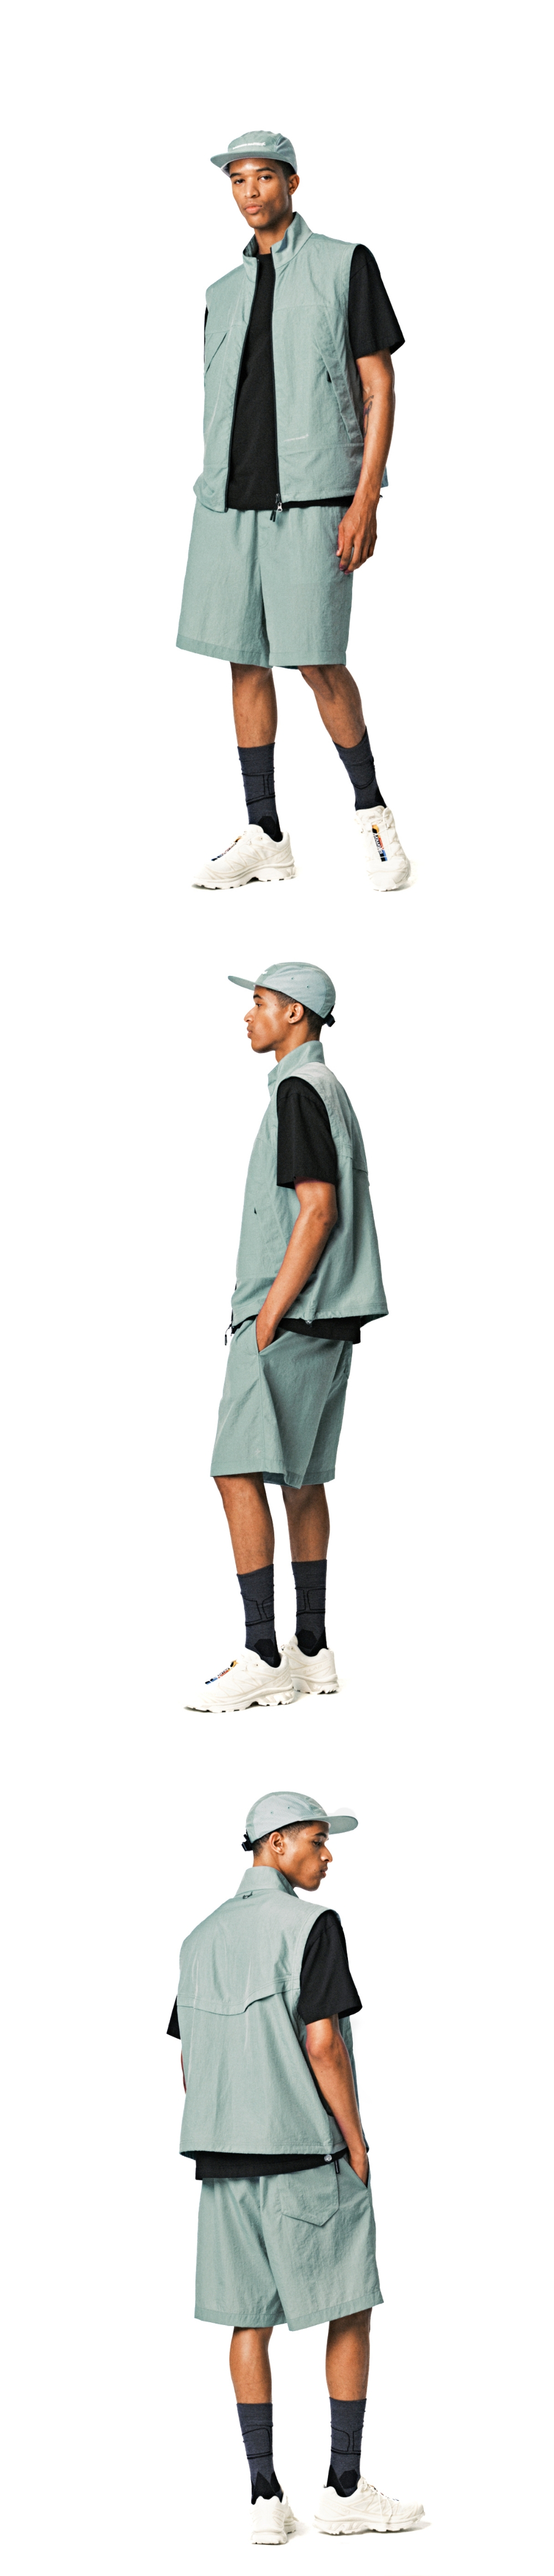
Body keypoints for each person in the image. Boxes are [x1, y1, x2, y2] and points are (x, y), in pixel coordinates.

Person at [168, 1790, 424, 2543]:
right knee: (351, 2304)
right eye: (316, 1839)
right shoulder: (312, 1924)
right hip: (306, 2152)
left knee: (249, 2319)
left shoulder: (198, 1938)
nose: (328, 1853)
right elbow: (323, 2044)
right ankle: (343, 2488)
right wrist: (356, 2139)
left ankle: (264, 2498)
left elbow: (190, 2062)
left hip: (223, 2162)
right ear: (275, 1843)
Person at [177, 129, 410, 894]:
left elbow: (379, 387)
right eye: (238, 180)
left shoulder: (345, 264)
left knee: (317, 660)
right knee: (244, 659)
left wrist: (366, 496)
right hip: (228, 502)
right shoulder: (220, 293)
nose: (250, 192)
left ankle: (373, 815)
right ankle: (265, 833)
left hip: (314, 498)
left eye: (264, 178)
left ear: (292, 184)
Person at [186, 962, 387, 1715]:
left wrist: (268, 1315)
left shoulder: (300, 1090)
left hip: (292, 1316)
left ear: (296, 1013)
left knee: (235, 1472)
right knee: (303, 1480)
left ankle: (264, 1654)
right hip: (330, 1317)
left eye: (262, 1003)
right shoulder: (325, 1089)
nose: (249, 1015)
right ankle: (312, 1648)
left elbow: (317, 1210)